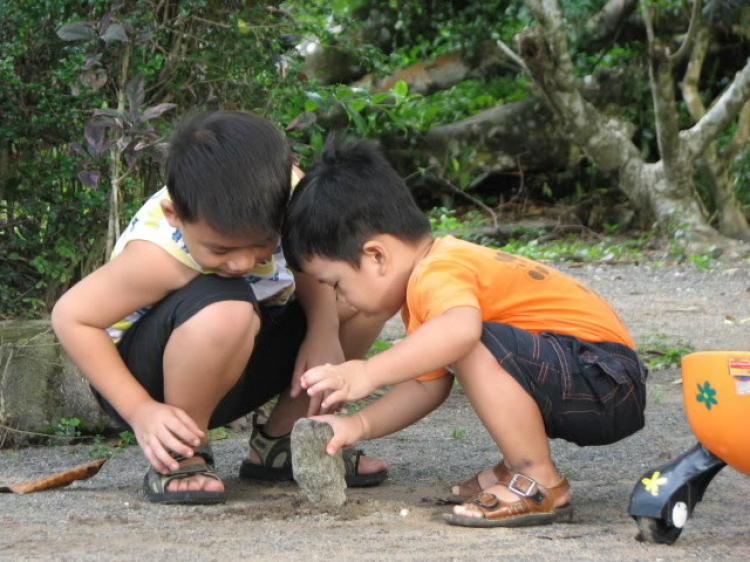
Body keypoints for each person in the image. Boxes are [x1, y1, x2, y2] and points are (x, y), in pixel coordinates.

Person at [282, 136, 648, 528]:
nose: (341, 299)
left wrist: (366, 373)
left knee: (470, 340)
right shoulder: (430, 283)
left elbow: (461, 334)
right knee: (466, 341)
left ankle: (536, 478)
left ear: (376, 256)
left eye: (336, 283)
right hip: (593, 374)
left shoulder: (438, 271)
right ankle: (518, 467)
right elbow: (426, 386)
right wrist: (358, 426)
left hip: (604, 376)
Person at [51, 112, 388, 505]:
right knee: (226, 307)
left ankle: (285, 443)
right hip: (151, 380)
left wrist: (324, 330)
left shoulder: (289, 192)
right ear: (176, 215)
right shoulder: (157, 255)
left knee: (363, 292)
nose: (242, 263)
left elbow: (307, 255)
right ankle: (182, 452)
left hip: (239, 352)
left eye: (262, 243)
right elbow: (71, 317)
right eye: (220, 249)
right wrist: (140, 410)